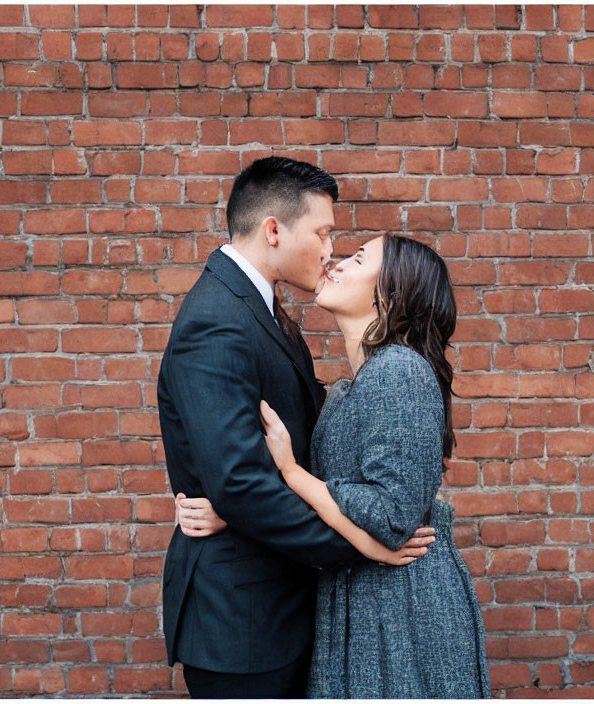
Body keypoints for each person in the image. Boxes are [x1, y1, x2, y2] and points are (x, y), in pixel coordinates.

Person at [157, 157, 435, 699]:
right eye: (324, 232)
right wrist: (364, 543)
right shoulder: (217, 320)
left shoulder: (260, 311)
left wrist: (233, 507)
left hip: (281, 610)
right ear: (275, 230)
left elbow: (252, 476)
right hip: (245, 626)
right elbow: (238, 481)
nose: (330, 250)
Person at [180, 233, 491, 698]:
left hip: (401, 611)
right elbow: (338, 493)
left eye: (359, 258)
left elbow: (390, 516)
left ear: (390, 291)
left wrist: (291, 472)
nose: (337, 262)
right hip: (363, 600)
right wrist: (234, 510)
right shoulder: (353, 387)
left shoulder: (399, 370)